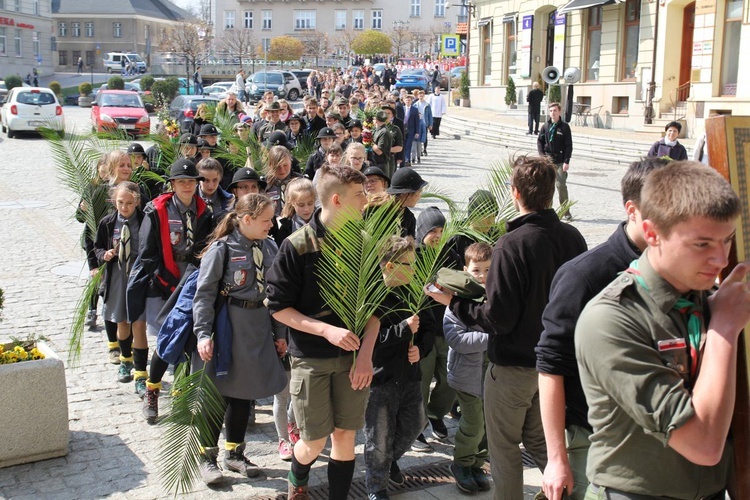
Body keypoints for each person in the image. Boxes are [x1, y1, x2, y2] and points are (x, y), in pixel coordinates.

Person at [575, 161, 744, 499]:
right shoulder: (612, 320)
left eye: (726, 241)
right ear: (652, 234)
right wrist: (725, 328)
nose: (721, 259)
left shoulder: (708, 300)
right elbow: (703, 444)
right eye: (702, 244)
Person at [426, 155, 588, 500]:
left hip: (514, 368)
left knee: (504, 452)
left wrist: (453, 303)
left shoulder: (512, 244)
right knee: (542, 444)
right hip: (556, 368)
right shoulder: (572, 237)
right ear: (551, 191)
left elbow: (498, 317)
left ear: (515, 192)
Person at [536, 157, 669, 500]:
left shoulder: (678, 269)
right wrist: (556, 458)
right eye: (663, 208)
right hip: (593, 440)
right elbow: (551, 365)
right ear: (632, 209)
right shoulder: (584, 275)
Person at [266, 165, 379, 500]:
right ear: (336, 199)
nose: (365, 202)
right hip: (310, 359)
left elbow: (376, 311)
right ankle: (298, 475)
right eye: (359, 196)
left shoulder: (364, 245)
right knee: (313, 442)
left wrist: (366, 358)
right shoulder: (297, 246)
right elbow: (278, 307)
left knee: (345, 437)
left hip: (352, 359)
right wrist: (326, 330)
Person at [194, 193, 287, 484]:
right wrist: (203, 333)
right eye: (266, 220)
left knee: (244, 393)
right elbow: (204, 295)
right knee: (219, 392)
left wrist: (280, 334)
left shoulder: (270, 247)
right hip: (228, 327)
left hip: (258, 327)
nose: (271, 225)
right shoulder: (222, 249)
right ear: (246, 220)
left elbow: (277, 295)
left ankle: (234, 454)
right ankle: (206, 457)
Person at [126, 159, 214, 420]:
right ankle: (152, 391)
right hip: (163, 284)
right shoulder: (157, 210)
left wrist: (192, 282)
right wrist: (168, 281)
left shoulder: (203, 211)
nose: (187, 185)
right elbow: (147, 254)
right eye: (181, 181)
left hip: (191, 285)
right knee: (167, 338)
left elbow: (205, 249)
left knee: (186, 341)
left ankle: (180, 393)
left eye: (191, 181)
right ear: (172, 184)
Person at [364, 236, 434, 500]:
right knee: (378, 438)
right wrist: (401, 330)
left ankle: (389, 460)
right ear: (390, 266)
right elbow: (367, 341)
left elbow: (428, 328)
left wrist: (422, 349)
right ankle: (376, 487)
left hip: (409, 376)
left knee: (416, 422)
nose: (414, 270)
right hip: (380, 378)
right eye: (409, 264)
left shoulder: (414, 291)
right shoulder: (371, 296)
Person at [444, 242, 493, 494]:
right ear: (466, 270)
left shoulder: (495, 298)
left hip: (490, 378)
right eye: (476, 270)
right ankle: (461, 463)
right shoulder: (458, 302)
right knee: (473, 424)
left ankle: (476, 463)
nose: (482, 276)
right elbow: (458, 340)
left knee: (486, 425)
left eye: (487, 269)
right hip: (466, 377)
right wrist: (491, 338)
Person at [93, 182, 146, 388]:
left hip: (138, 276)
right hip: (117, 277)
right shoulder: (108, 223)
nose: (124, 207)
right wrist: (104, 255)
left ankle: (141, 371)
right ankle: (125, 359)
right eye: (120, 202)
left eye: (129, 203)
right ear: (114, 201)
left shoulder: (145, 221)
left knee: (139, 323)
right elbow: (97, 247)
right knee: (122, 321)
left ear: (137, 202)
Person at [538, 102, 574, 220]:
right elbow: (540, 142)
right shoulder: (545, 126)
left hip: (560, 161)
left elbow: (568, 145)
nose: (552, 113)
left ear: (559, 112)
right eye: (551, 111)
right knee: (548, 186)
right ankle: (548, 211)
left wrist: (566, 161)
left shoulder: (564, 127)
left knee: (560, 185)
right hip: (548, 161)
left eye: (555, 111)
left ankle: (566, 211)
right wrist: (542, 157)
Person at [265, 145, 302, 217]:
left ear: (290, 163)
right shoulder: (264, 185)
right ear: (270, 165)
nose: (282, 170)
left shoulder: (300, 181)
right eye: (277, 166)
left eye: (285, 165)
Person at [402, 94, 420, 168]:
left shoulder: (414, 110)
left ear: (411, 101)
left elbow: (417, 121)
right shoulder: (401, 108)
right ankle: (403, 160)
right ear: (404, 101)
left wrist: (417, 132)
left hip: (411, 130)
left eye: (409, 100)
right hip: (402, 129)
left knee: (408, 145)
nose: (408, 101)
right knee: (403, 145)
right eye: (406, 100)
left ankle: (407, 160)